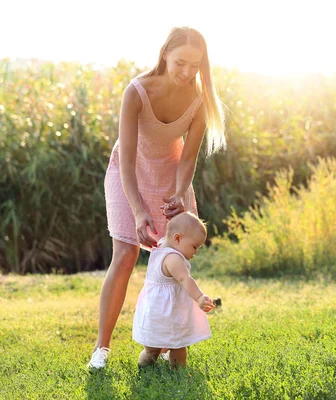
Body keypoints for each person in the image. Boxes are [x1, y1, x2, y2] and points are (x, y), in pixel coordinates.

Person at [88, 26, 226, 369]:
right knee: (125, 255)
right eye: (180, 62)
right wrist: (138, 212)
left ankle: (166, 342)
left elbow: (189, 158)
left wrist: (180, 194)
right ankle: (101, 349)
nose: (186, 72)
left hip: (171, 178)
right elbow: (129, 159)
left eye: (195, 66)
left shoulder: (198, 99)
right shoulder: (136, 92)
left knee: (174, 260)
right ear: (164, 54)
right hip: (128, 176)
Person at [133, 212, 215, 368]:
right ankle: (178, 373)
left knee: (152, 349)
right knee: (178, 345)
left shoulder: (162, 246)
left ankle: (144, 369)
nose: (195, 252)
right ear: (177, 238)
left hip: (155, 312)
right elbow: (185, 279)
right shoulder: (173, 258)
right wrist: (199, 297)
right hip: (168, 313)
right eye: (194, 246)